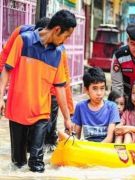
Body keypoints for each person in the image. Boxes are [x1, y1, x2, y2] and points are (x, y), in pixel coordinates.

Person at [0, 9, 76, 172]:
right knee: (18, 165)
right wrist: (0, 97)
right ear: (57, 30)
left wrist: (67, 118)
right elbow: (6, 69)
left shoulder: (57, 53)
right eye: (66, 36)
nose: (66, 41)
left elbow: (61, 88)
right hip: (17, 112)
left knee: (37, 165)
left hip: (41, 114)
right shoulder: (23, 41)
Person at [71, 67, 120, 142]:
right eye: (95, 88)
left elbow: (109, 138)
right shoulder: (80, 107)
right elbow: (76, 136)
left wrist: (95, 150)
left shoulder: (112, 107)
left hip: (106, 149)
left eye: (102, 88)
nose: (99, 93)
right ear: (86, 90)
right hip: (88, 148)